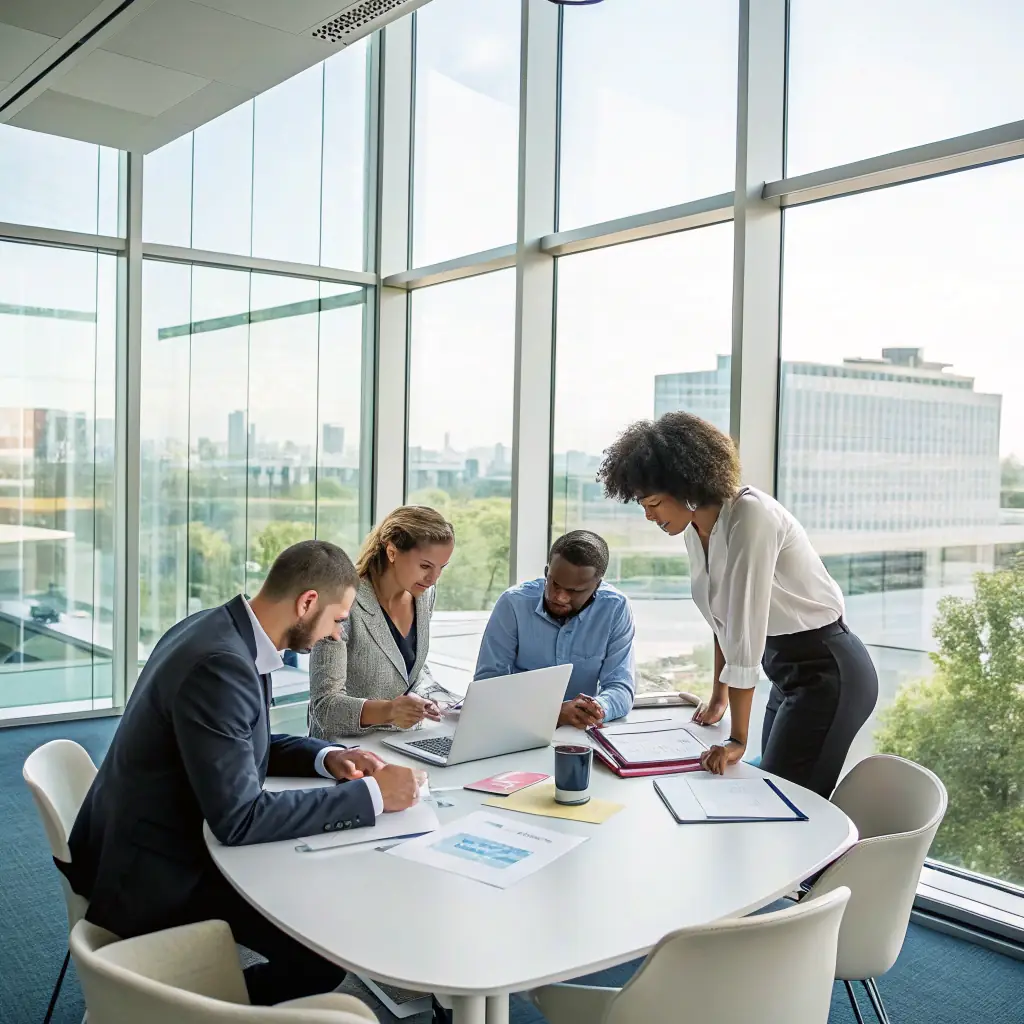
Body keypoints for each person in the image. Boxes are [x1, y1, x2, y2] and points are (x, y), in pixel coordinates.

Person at [62, 540, 421, 1005]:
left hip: (135, 836)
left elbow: (238, 740)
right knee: (321, 953)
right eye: (337, 619)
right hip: (155, 872)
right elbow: (240, 819)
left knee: (306, 893)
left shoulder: (221, 630)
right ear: (307, 602)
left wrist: (326, 756)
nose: (336, 635)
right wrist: (373, 796)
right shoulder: (221, 664)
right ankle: (185, 1012)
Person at [597, 411, 879, 798]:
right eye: (643, 505)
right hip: (786, 669)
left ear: (688, 487)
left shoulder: (750, 516)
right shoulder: (695, 528)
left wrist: (737, 740)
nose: (648, 515)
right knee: (769, 791)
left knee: (784, 801)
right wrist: (718, 699)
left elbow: (744, 628)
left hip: (828, 669)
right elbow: (722, 621)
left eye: (655, 503)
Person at [309, 506, 456, 739]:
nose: (433, 578)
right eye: (425, 566)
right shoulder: (342, 603)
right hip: (344, 754)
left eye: (441, 568)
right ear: (392, 552)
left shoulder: (423, 595)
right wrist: (389, 711)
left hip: (401, 744)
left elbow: (406, 667)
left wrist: (444, 702)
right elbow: (324, 709)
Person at [474, 531, 636, 728]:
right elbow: (487, 685)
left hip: (580, 731)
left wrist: (596, 708)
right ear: (546, 572)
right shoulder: (513, 603)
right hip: (518, 725)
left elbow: (620, 687)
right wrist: (552, 712)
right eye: (555, 583)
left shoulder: (615, 608)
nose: (560, 597)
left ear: (597, 585)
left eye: (574, 591)